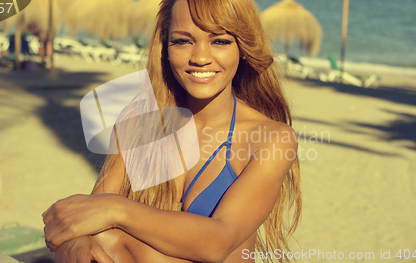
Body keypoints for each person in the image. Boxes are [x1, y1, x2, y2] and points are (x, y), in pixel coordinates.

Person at [42, 0, 301, 262]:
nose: (200, 58)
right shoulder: (140, 122)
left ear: (243, 48)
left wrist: (117, 209)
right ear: (165, 47)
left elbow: (219, 242)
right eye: (183, 41)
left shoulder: (272, 138)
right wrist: (74, 245)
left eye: (219, 41)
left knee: (109, 237)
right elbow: (86, 218)